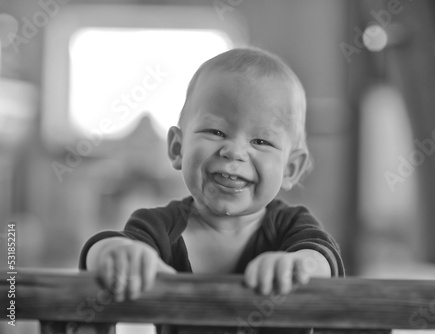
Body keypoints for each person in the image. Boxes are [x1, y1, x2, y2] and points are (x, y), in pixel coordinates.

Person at [79, 48, 344, 306]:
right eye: (216, 132)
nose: (234, 151)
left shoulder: (291, 226)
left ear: (290, 169)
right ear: (177, 148)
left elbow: (323, 259)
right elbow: (99, 253)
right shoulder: (158, 227)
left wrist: (299, 266)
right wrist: (114, 253)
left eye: (261, 140)